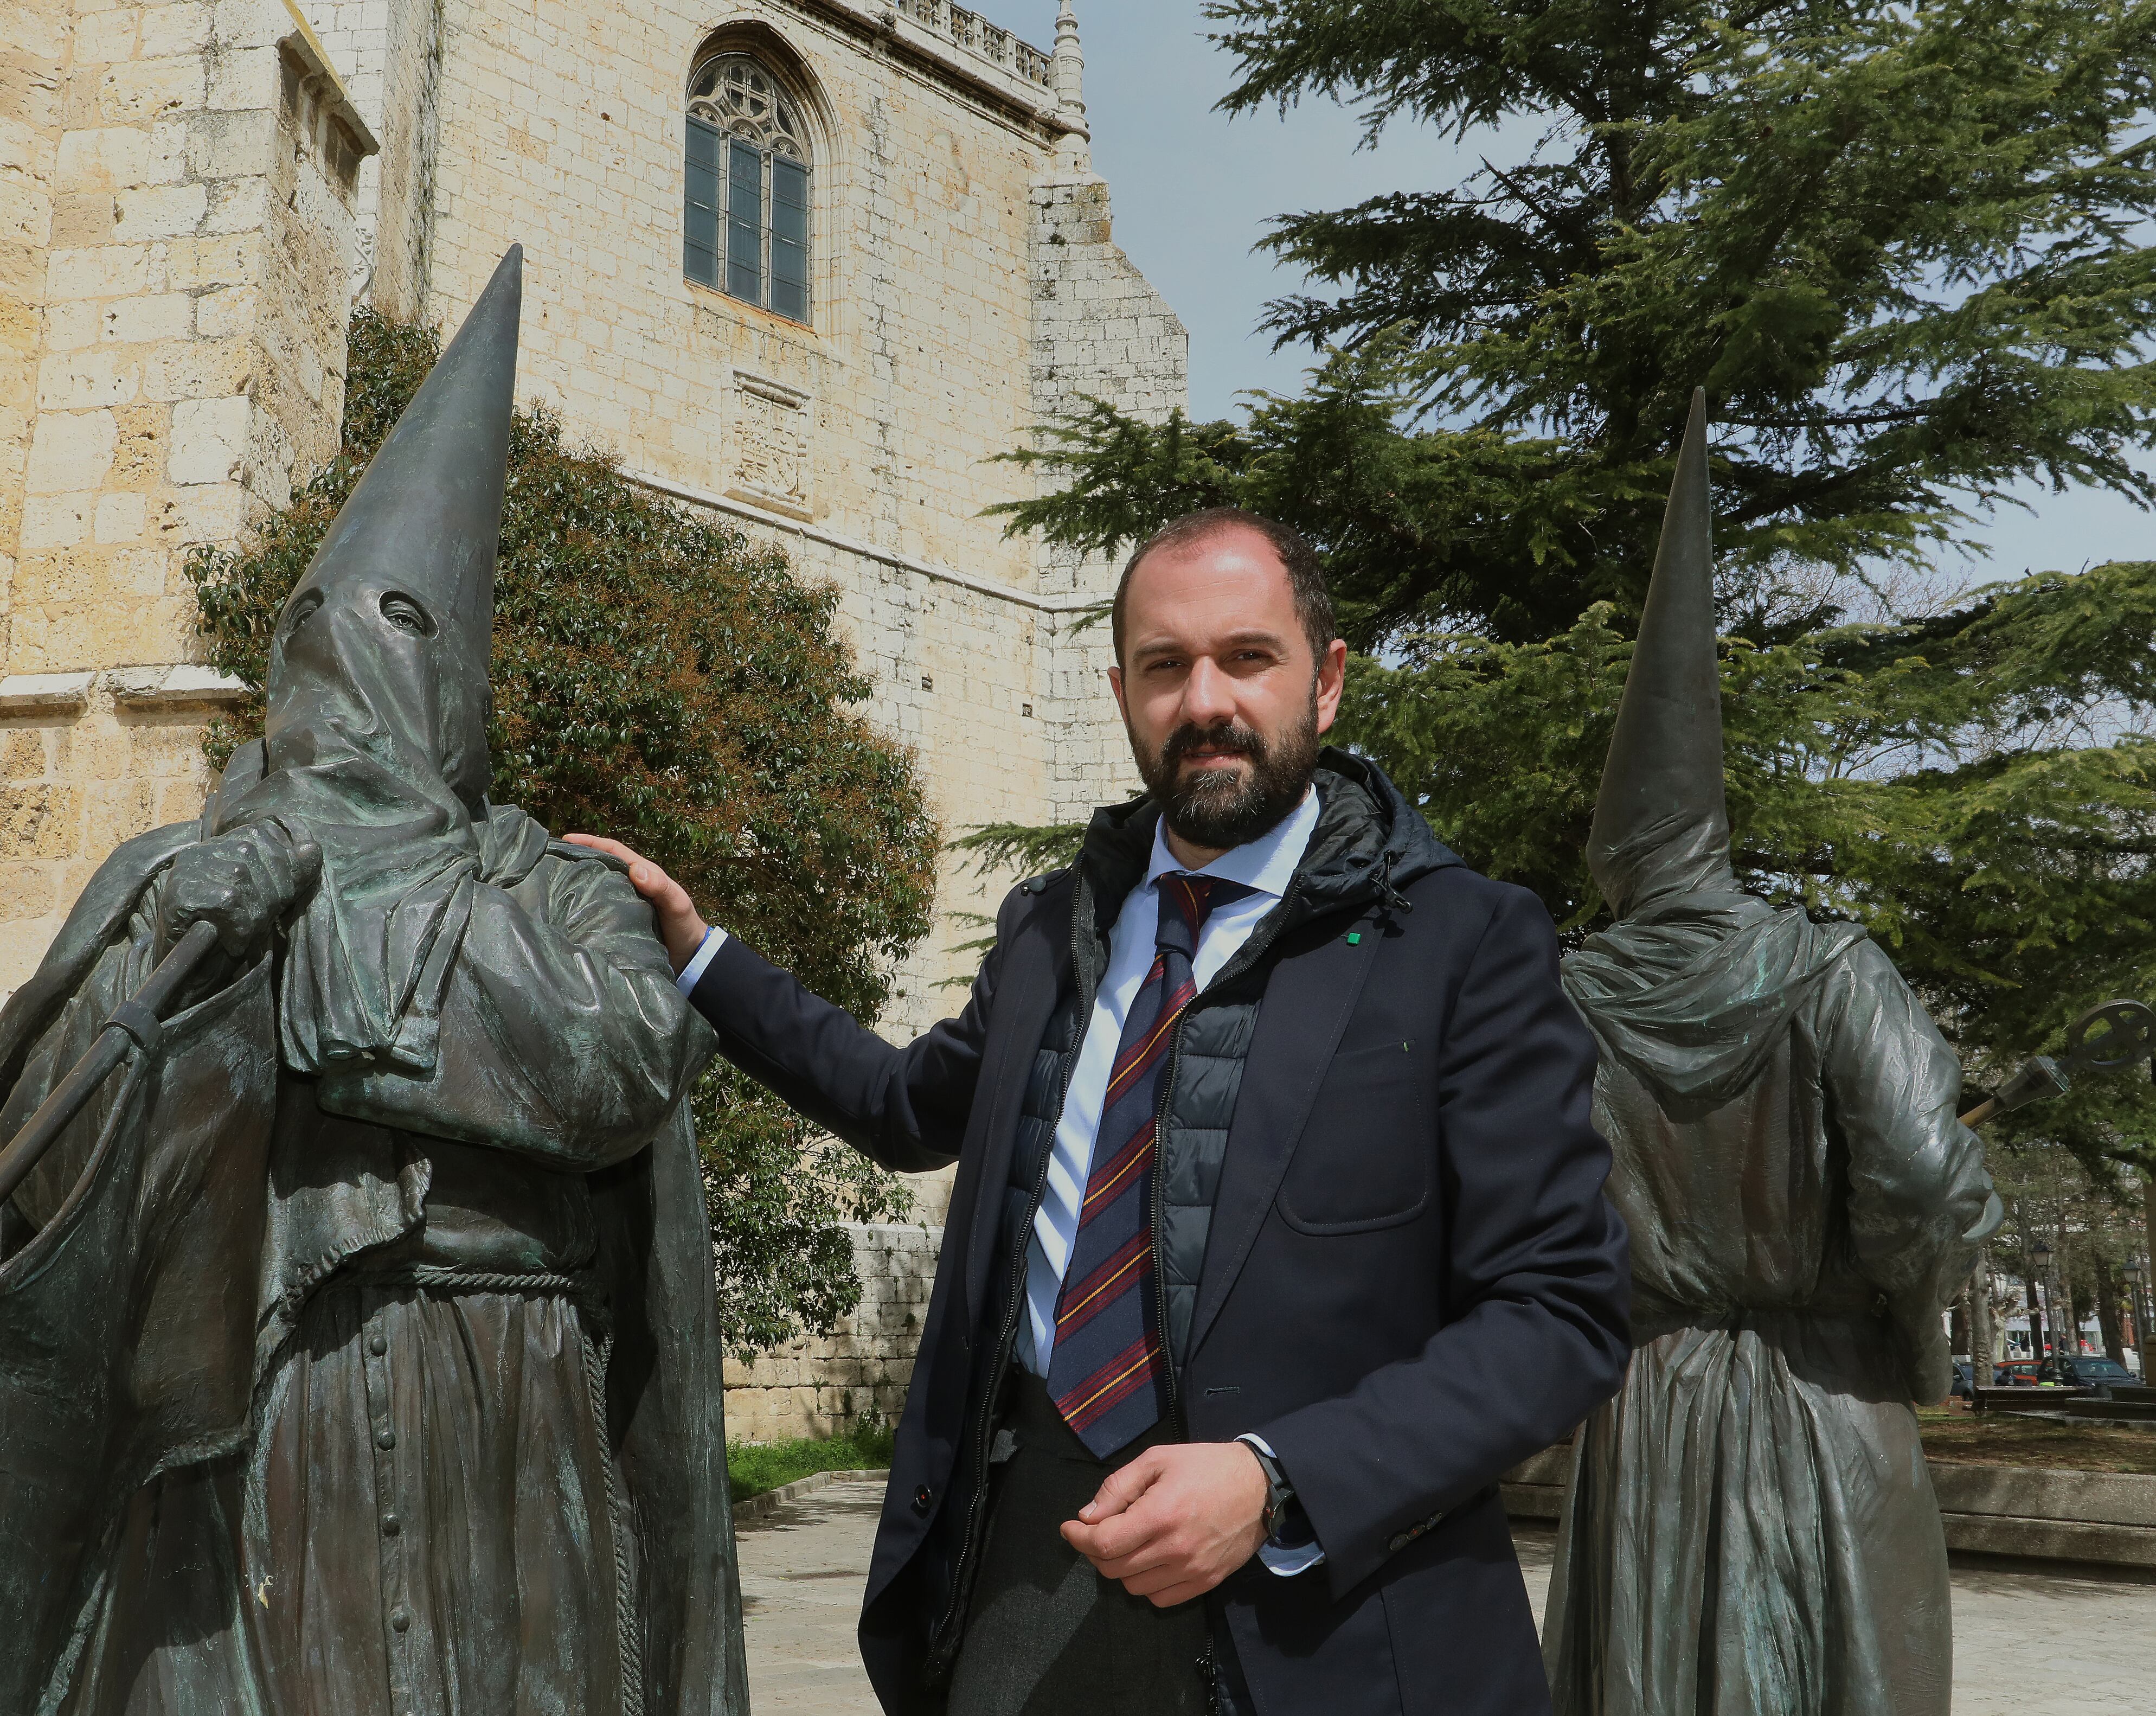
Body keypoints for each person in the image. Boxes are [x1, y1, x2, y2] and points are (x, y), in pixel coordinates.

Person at [0, 251, 750, 1716]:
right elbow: (53, 1163)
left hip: (514, 1417)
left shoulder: (560, 882)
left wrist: (328, 916)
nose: (343, 677)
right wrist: (178, 975)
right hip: (250, 1415)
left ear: (455, 686)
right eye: (317, 643)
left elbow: (612, 1062)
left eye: (395, 643)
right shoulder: (177, 871)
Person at [575, 509, 1633, 1715]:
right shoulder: (1050, 927)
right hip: (1025, 1578)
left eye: (1248, 657)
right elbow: (904, 1103)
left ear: (1325, 683)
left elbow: (1560, 1312)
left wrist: (1279, 1480)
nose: (1205, 703)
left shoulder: (1461, 944)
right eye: (1165, 665)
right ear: (1122, 688)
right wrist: (700, 956)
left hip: (1329, 1616)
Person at [1538, 395, 1999, 1716]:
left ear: (1621, 849)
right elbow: (1925, 1183)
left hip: (1644, 1419)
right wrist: (1900, 1326)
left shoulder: (1558, 1001)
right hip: (1827, 1410)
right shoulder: (1832, 969)